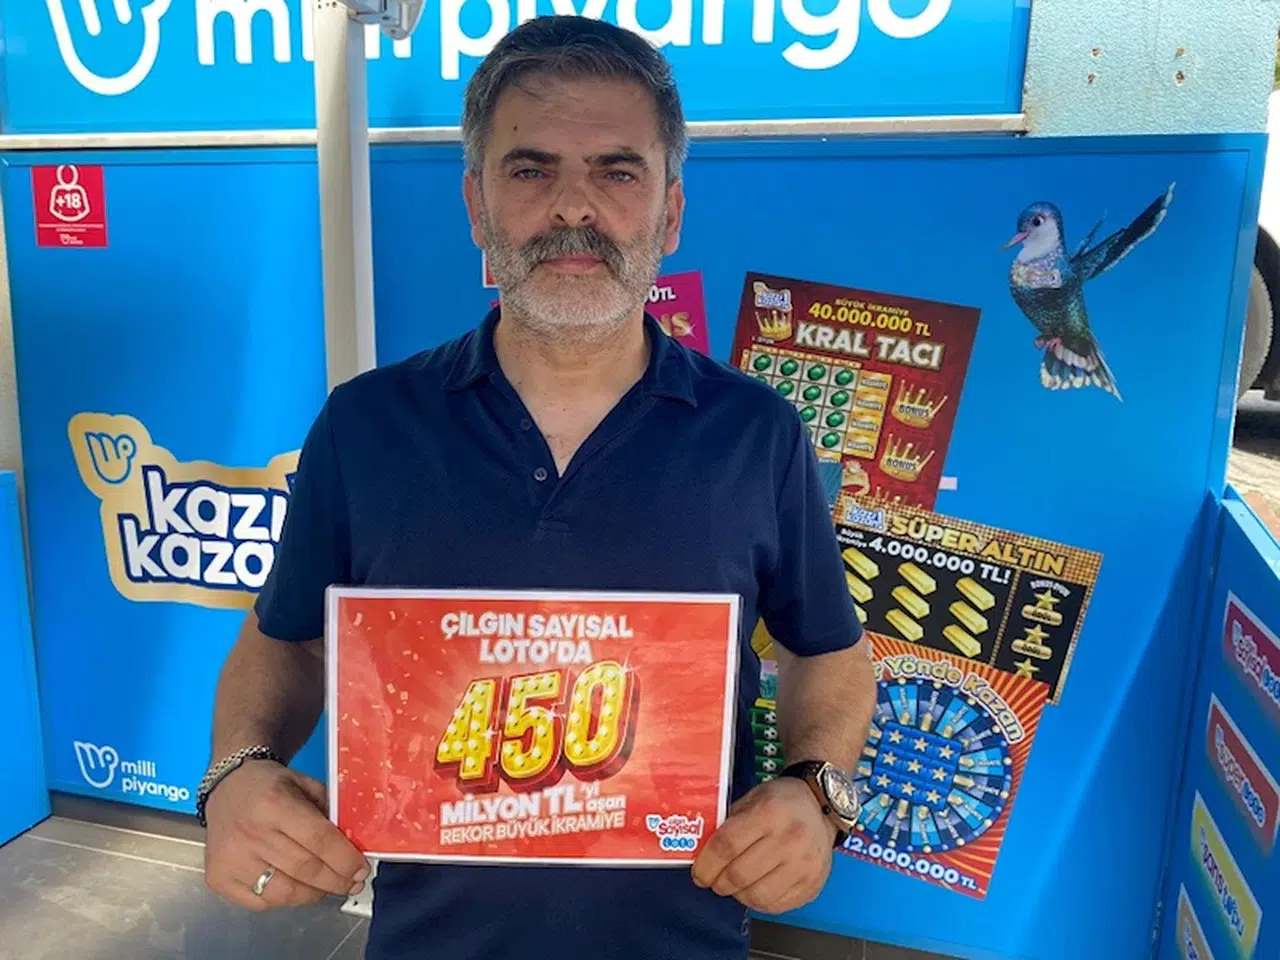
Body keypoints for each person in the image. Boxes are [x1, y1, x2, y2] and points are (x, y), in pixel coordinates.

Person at [199, 14, 876, 960]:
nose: (572, 209)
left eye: (617, 171)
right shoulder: (365, 425)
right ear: (476, 205)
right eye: (530, 170)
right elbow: (288, 640)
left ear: (670, 212)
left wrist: (817, 792)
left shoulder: (756, 434)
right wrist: (235, 771)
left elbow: (831, 654)